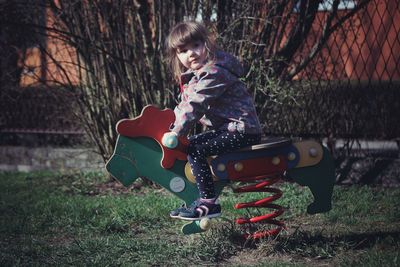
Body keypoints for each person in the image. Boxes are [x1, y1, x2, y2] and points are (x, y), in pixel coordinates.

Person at [164, 21, 262, 221]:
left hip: (243, 131)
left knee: (196, 150)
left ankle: (209, 203)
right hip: (230, 129)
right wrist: (170, 126)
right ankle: (199, 197)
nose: (191, 53)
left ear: (207, 44)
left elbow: (195, 104)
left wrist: (176, 132)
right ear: (177, 56)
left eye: (196, 45)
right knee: (191, 144)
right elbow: (184, 106)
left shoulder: (214, 72)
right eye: (183, 50)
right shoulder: (195, 77)